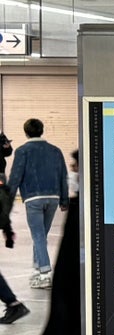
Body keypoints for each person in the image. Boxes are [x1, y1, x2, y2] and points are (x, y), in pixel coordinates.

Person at [42, 149, 81, 335]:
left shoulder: (85, 206)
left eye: (75, 166)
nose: (72, 172)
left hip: (83, 298)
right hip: (83, 297)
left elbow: (69, 259)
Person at [7, 118, 68, 288]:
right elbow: (63, 175)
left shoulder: (22, 151)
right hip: (53, 198)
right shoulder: (55, 151)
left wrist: (8, 202)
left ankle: (45, 273)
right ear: (42, 130)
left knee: (38, 235)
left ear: (26, 132)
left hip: (33, 198)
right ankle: (36, 269)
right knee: (41, 235)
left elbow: (15, 177)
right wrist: (64, 199)